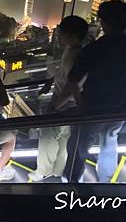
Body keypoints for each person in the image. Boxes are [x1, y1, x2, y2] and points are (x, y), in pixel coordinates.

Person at [61, 0, 126, 183]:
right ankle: (107, 181)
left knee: (79, 147)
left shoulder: (94, 48)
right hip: (120, 108)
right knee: (110, 141)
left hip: (92, 108)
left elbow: (73, 79)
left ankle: (71, 186)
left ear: (102, 22)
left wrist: (81, 105)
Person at [28, 16, 88, 182]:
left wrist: (54, 107)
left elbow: (71, 88)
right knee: (63, 139)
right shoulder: (76, 50)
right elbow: (64, 73)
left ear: (73, 35)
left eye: (62, 33)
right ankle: (58, 171)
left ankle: (43, 172)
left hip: (63, 103)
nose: (59, 36)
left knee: (48, 138)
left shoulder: (74, 57)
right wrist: (50, 82)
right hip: (70, 105)